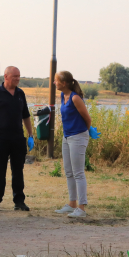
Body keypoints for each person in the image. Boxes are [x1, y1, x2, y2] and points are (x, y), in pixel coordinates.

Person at [0, 66, 35, 211]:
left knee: (18, 171)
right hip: (0, 139)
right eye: (15, 76)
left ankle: (19, 202)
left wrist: (31, 135)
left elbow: (26, 116)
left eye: (19, 76)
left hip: (18, 138)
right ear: (6, 76)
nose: (18, 79)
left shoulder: (20, 94)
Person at [53, 70, 101, 218]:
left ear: (64, 83)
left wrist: (86, 131)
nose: (54, 83)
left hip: (78, 137)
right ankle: (72, 204)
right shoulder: (63, 95)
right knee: (69, 171)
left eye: (56, 81)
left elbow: (87, 118)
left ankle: (81, 208)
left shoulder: (75, 98)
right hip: (67, 137)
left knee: (78, 172)